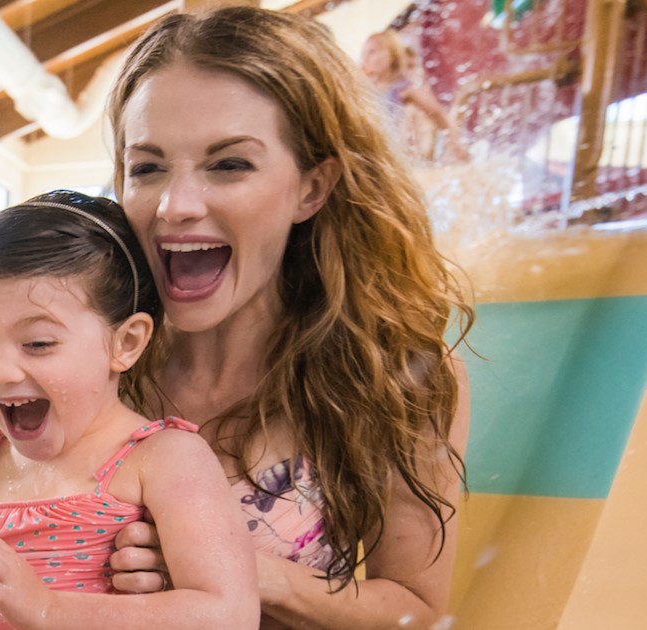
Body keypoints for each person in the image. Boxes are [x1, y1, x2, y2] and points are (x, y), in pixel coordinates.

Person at [90, 8, 475, 628]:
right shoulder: (90, 359)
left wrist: (241, 569)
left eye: (229, 164)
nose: (174, 205)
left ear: (312, 188)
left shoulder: (397, 374)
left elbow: (415, 611)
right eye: (148, 167)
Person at [0, 192, 262, 629]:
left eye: (38, 344)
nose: (0, 372)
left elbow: (228, 614)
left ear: (124, 343)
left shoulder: (163, 459)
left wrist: (52, 609)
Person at [360, 30, 468, 163]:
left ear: (392, 56)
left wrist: (454, 141)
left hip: (394, 154)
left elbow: (437, 112)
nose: (365, 58)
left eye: (372, 52)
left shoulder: (402, 89)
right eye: (363, 53)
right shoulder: (364, 89)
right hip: (374, 153)